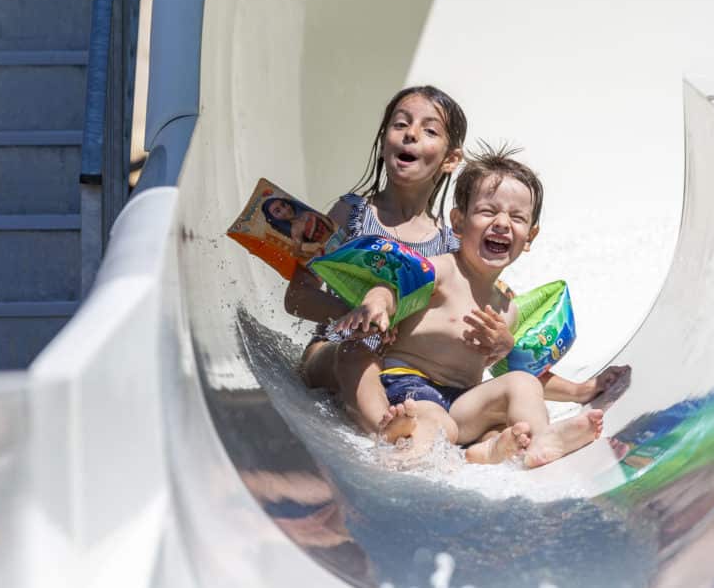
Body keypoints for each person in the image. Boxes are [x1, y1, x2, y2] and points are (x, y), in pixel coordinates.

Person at [287, 86, 628, 442]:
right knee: (359, 350)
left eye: (429, 130)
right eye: (400, 124)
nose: (411, 133)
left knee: (491, 423)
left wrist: (559, 379)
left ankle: (498, 443)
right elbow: (296, 298)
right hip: (338, 349)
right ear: (385, 138)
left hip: (417, 381)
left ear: (451, 159)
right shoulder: (350, 215)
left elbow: (487, 331)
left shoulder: (452, 244)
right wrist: (363, 313)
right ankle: (386, 431)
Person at [331, 145, 604, 468]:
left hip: (463, 400)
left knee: (523, 384)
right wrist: (377, 302)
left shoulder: (508, 308)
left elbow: (509, 366)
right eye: (488, 212)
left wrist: (506, 346)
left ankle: (539, 439)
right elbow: (393, 286)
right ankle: (411, 457)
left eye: (517, 218)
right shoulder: (442, 270)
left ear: (529, 236)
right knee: (434, 420)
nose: (502, 223)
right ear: (458, 223)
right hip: (411, 385)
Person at [261, 196, 334, 257]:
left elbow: (323, 218)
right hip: (330, 248)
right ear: (275, 219)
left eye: (283, 204)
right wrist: (314, 254)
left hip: (337, 234)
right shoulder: (296, 230)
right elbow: (297, 252)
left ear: (288, 203)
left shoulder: (306, 214)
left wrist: (333, 230)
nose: (285, 210)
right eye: (277, 211)